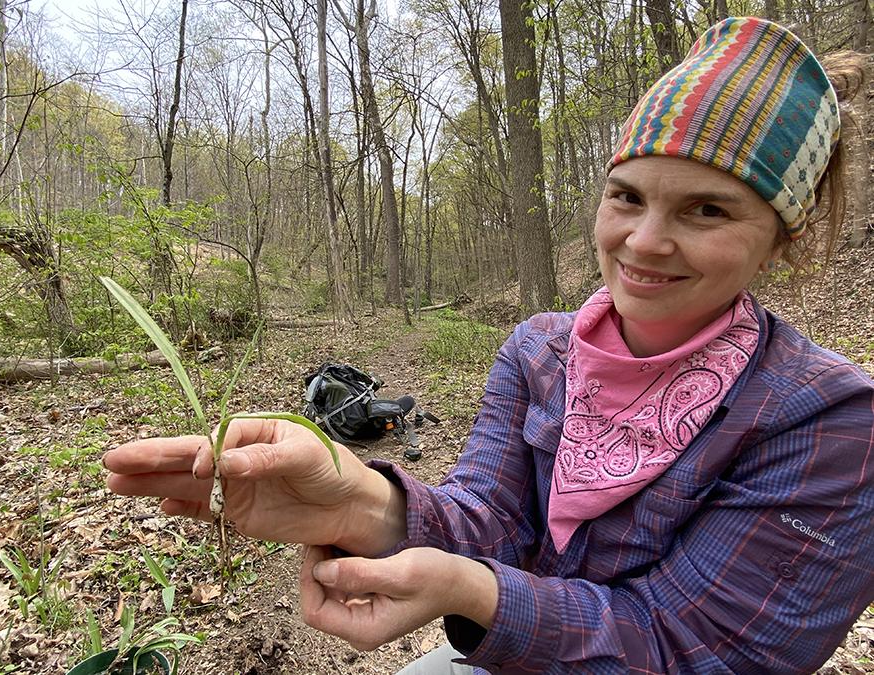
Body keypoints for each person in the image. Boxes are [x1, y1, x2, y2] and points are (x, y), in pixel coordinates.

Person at [104, 16, 874, 674]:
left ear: (782, 237)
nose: (644, 241)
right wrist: (364, 501)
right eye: (627, 196)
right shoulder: (541, 351)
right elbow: (493, 517)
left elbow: (698, 647)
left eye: (706, 210)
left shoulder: (828, 423)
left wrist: (476, 593)